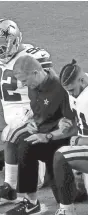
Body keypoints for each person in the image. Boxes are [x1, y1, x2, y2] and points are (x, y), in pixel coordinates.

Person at [0, 19, 51, 205]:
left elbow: (52, 89)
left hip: (37, 121)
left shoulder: (33, 57)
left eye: (0, 49)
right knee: (12, 133)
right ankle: (10, 186)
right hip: (18, 123)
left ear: (14, 42)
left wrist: (38, 112)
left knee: (37, 180)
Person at [1, 55, 77, 215]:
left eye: (24, 80)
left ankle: (76, 189)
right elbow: (40, 114)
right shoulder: (33, 87)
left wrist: (48, 136)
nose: (22, 84)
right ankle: (31, 202)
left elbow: (72, 127)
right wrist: (34, 123)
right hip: (46, 137)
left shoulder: (60, 89)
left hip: (62, 139)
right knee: (25, 144)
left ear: (35, 73)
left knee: (68, 195)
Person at [51, 59, 88, 215]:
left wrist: (79, 140)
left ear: (82, 80)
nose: (70, 94)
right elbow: (79, 122)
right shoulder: (79, 88)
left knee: (62, 156)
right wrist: (65, 123)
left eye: (71, 90)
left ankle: (66, 211)